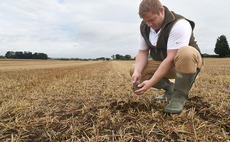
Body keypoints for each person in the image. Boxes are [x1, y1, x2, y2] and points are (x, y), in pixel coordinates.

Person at [130, 0, 203, 114]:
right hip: (164, 63)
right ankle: (170, 89)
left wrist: (151, 82)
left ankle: (178, 97)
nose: (148, 24)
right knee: (134, 69)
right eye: (145, 21)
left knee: (186, 52)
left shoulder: (179, 24)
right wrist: (137, 72)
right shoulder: (145, 26)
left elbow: (170, 59)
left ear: (161, 11)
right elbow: (142, 52)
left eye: (151, 19)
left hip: (186, 64)